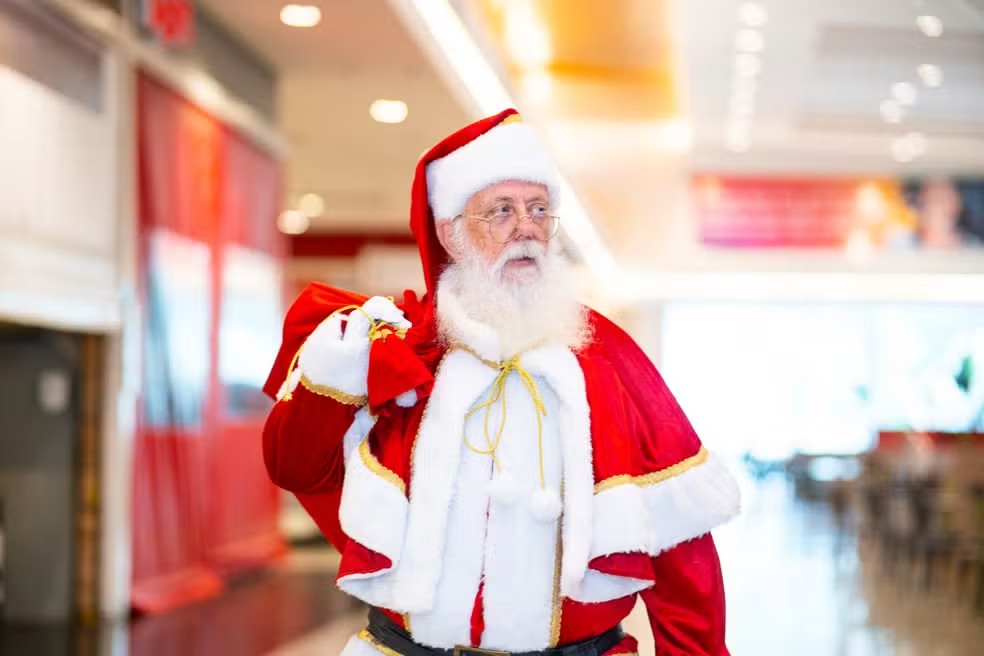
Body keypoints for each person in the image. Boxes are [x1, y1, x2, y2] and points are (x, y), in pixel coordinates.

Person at [262, 110, 740, 656]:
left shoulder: (606, 356)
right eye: (501, 211)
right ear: (451, 232)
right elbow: (295, 467)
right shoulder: (403, 351)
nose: (526, 228)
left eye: (539, 209)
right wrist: (328, 385)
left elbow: (684, 550)